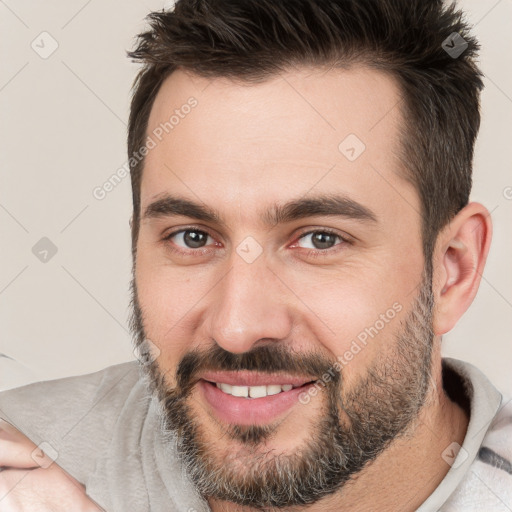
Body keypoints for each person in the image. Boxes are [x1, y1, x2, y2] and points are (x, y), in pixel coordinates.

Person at [0, 0, 511, 510]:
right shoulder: (23, 459)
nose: (237, 328)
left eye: (319, 240)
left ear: (453, 270)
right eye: (192, 238)